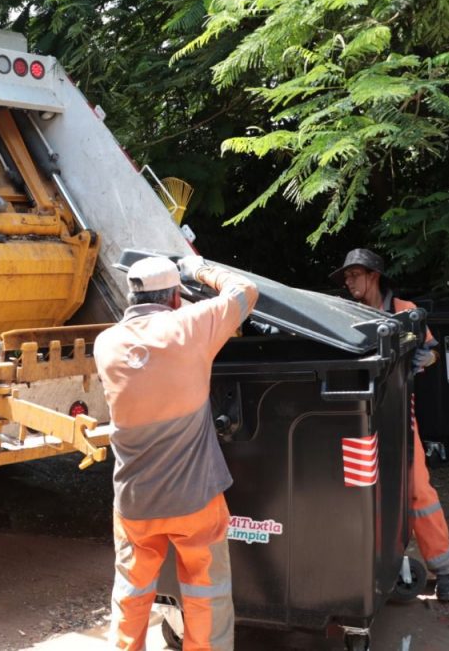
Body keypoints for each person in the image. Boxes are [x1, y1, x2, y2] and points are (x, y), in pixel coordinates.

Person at [94, 255, 258, 650]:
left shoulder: (106, 344)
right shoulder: (191, 325)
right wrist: (198, 267)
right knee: (206, 594)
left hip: (135, 503)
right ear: (174, 298)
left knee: (131, 592)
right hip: (194, 500)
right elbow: (246, 292)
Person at [330, 248, 449, 602]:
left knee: (418, 491)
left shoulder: (405, 311)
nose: (348, 282)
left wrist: (426, 356)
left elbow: (434, 350)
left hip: (401, 416)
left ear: (373, 275)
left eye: (353, 275)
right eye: (346, 277)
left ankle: (446, 569)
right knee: (362, 493)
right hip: (359, 418)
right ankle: (372, 568)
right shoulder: (346, 314)